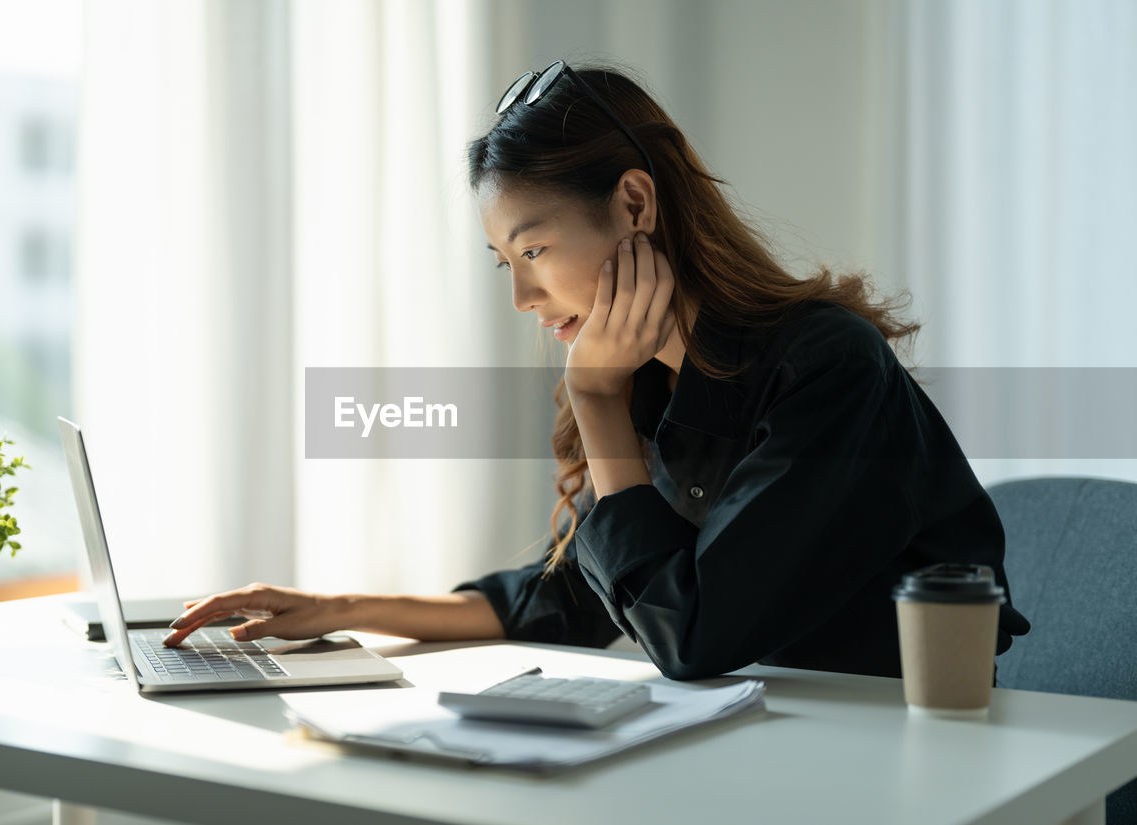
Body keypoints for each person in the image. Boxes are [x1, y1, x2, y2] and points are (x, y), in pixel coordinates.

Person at [165, 60, 1030, 681]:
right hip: (779, 742)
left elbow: (689, 633)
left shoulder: (828, 368)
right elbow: (566, 594)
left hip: (912, 755)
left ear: (636, 204)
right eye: (503, 259)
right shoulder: (648, 381)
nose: (523, 296)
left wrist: (596, 401)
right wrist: (337, 609)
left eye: (535, 248)